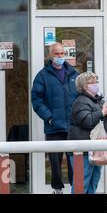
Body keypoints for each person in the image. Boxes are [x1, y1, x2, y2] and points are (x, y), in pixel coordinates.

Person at [31, 42, 79, 194]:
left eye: (62, 54)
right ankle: (57, 189)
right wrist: (49, 117)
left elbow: (81, 97)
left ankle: (75, 188)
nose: (60, 57)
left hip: (72, 126)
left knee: (74, 160)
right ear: (50, 55)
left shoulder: (73, 74)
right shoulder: (42, 76)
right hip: (54, 127)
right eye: (57, 54)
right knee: (55, 162)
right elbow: (36, 100)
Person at [68, 72, 107, 194]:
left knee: (93, 183)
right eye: (93, 82)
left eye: (97, 82)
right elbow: (88, 121)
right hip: (83, 151)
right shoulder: (80, 102)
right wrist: (102, 113)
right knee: (81, 184)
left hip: (97, 148)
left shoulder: (98, 100)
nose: (96, 84)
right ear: (84, 86)